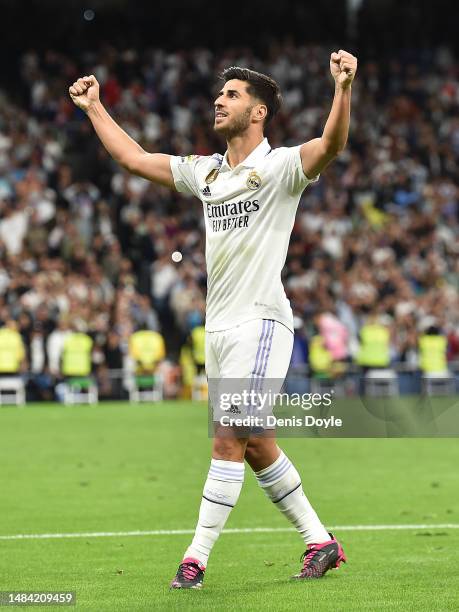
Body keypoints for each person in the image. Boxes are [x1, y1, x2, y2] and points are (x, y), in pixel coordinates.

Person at [69, 48, 357, 588]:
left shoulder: (279, 168)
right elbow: (135, 160)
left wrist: (342, 90)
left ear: (258, 112)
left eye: (232, 95)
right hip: (219, 329)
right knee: (255, 445)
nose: (218, 101)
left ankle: (194, 559)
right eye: (219, 94)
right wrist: (94, 109)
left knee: (228, 436)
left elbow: (332, 144)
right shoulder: (206, 173)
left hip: (261, 322)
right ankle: (321, 541)